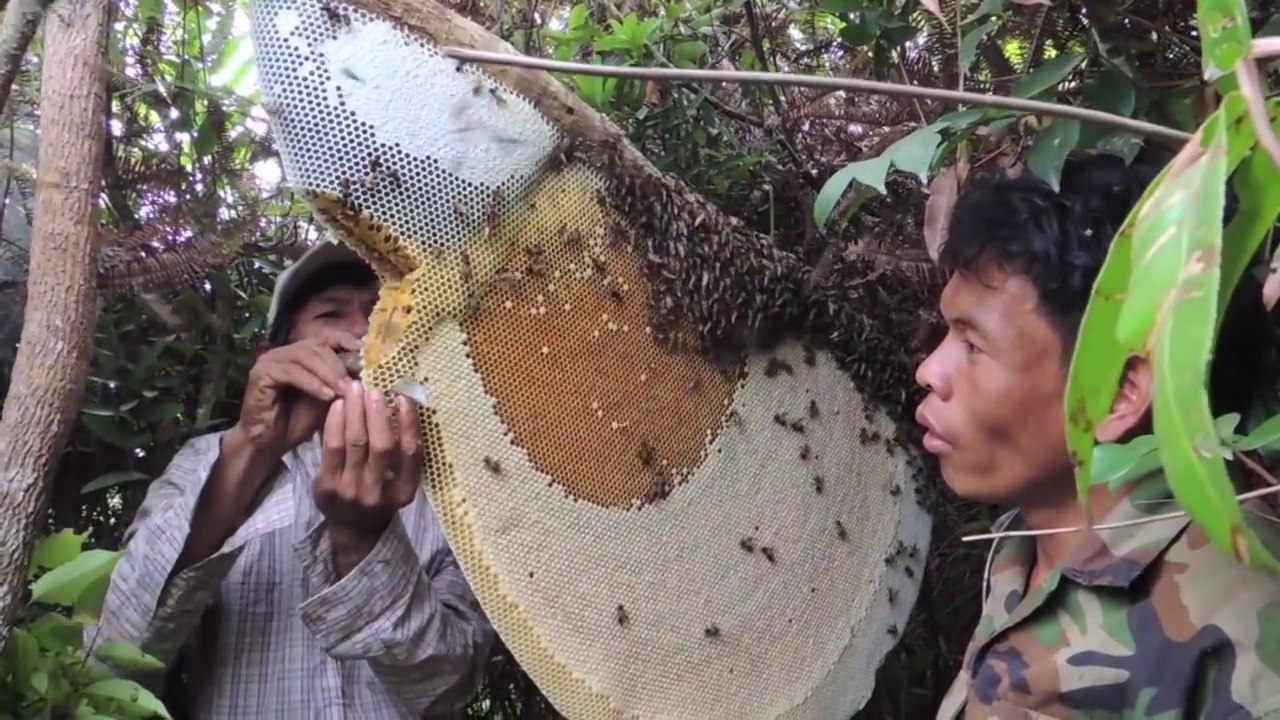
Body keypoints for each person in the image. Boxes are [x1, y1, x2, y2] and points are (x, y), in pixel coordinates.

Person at [916, 151, 1280, 718]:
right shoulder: (1030, 542)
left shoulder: (1241, 639)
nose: (929, 372)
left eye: (972, 345)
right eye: (948, 332)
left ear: (1114, 394)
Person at [96, 241, 496, 719]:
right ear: (275, 355)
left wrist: (365, 542)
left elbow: (448, 684)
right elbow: (111, 662)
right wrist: (251, 448)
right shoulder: (204, 460)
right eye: (331, 313)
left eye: (379, 312)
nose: (363, 331)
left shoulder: (451, 489)